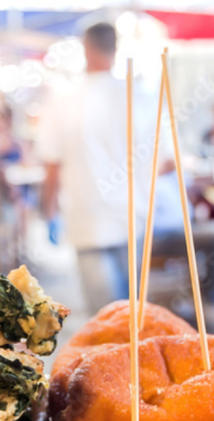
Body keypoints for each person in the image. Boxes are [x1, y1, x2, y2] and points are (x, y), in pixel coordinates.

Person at [37, 22, 173, 313]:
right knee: (134, 314)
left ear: (86, 48)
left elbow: (51, 167)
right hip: (134, 217)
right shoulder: (142, 99)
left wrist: (49, 212)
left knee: (106, 317)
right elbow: (167, 163)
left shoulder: (62, 103)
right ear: (115, 47)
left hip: (87, 219)